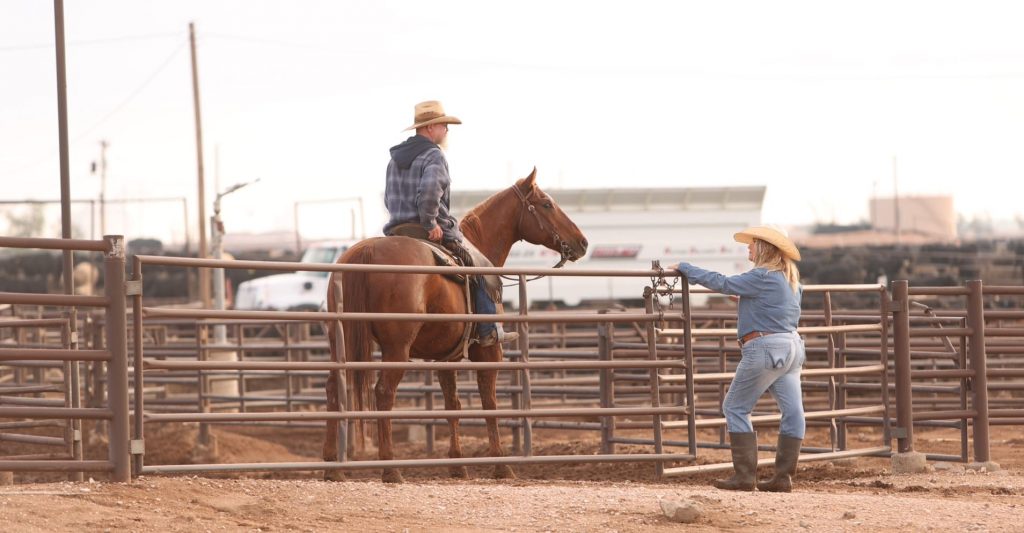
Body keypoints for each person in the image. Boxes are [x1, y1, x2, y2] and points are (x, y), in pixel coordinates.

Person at [669, 224, 805, 492]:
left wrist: (686, 268)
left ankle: (744, 477)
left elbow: (723, 282)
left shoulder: (763, 276)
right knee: (793, 412)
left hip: (765, 347)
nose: (748, 247)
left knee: (734, 407)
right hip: (792, 348)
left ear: (764, 247)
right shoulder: (791, 280)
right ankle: (783, 477)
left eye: (752, 243)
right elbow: (775, 308)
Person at [382, 100, 515, 347]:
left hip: (397, 229)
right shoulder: (433, 155)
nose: (446, 131)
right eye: (444, 125)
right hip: (428, 229)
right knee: (481, 268)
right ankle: (488, 330)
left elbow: (388, 198)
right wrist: (430, 222)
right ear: (430, 127)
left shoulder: (394, 159)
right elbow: (430, 191)